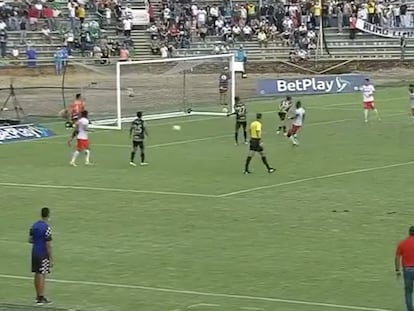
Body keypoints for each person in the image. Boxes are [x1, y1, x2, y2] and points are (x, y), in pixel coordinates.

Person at [29, 207, 53, 305]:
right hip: (42, 253)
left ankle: (38, 296)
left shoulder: (34, 225)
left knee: (37, 274)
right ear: (48, 215)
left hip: (34, 252)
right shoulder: (47, 227)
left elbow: (30, 239)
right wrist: (51, 257)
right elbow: (48, 244)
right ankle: (41, 297)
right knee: (42, 275)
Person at [395, 226, 414, 311]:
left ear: (409, 232)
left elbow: (397, 257)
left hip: (408, 270)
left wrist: (397, 270)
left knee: (408, 291)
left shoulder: (402, 243)